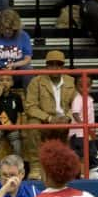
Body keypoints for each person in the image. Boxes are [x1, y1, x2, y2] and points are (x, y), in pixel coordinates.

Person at [24, 50, 75, 180]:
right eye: (51, 64)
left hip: (66, 119)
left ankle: (74, 167)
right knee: (33, 125)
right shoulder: (36, 81)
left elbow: (77, 104)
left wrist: (68, 117)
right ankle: (35, 167)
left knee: (79, 126)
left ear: (63, 66)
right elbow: (30, 106)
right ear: (46, 65)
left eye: (58, 64)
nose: (55, 67)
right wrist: (49, 118)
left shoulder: (71, 81)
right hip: (45, 119)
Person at [0, 74, 23, 172]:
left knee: (17, 144)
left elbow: (19, 114)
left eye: (7, 80)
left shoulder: (16, 97)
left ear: (12, 83)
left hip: (12, 127)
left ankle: (17, 169)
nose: (4, 82)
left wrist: (17, 127)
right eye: (1, 80)